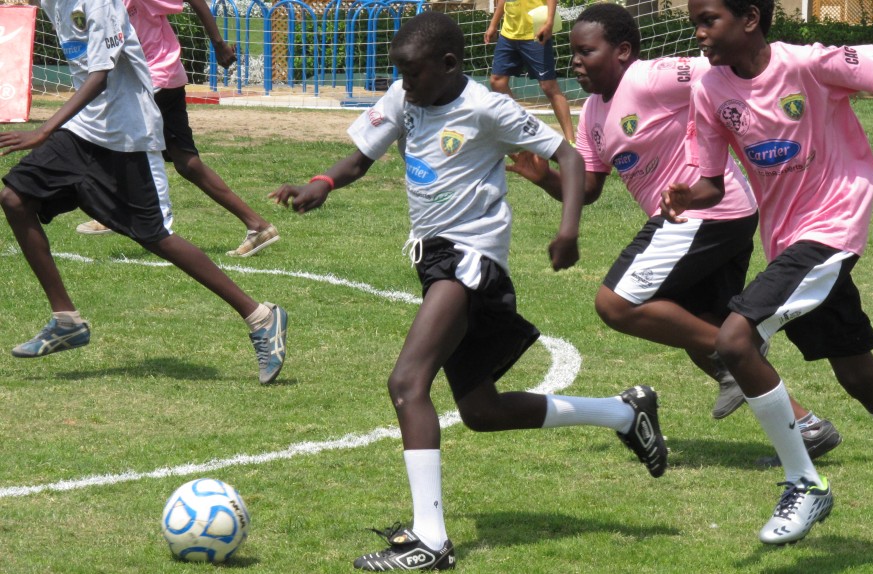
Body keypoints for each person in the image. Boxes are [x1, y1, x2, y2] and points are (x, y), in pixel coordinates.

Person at [270, 12, 668, 571]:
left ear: (450, 65)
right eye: (400, 74)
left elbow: (570, 157)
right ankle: (623, 413)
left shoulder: (485, 108)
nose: (405, 84)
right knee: (482, 410)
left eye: (414, 74)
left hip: (469, 262)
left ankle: (431, 540)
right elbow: (362, 156)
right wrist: (324, 182)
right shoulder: (405, 95)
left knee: (408, 384)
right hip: (435, 260)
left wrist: (569, 229)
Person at [662, 0, 873, 553]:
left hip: (834, 226)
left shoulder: (809, 64)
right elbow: (713, 184)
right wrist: (687, 195)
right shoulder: (710, 89)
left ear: (749, 19)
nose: (699, 32)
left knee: (734, 339)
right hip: (790, 243)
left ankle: (805, 483)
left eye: (709, 20)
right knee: (858, 374)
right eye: (696, 21)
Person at [506, 3, 841, 465]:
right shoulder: (591, 116)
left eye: (586, 51)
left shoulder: (650, 76)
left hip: (707, 211)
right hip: (715, 219)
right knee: (693, 328)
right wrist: (544, 177)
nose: (576, 62)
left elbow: (725, 63)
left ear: (623, 51)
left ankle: (737, 344)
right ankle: (807, 427)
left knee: (616, 304)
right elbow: (587, 188)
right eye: (572, 53)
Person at [0, 0, 287, 385]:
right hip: (85, 130)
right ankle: (66, 320)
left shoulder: (100, 3)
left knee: (156, 236)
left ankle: (260, 316)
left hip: (128, 133)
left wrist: (44, 129)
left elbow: (101, 72)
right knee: (16, 198)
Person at [75, 0, 280, 258]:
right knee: (187, 162)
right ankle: (258, 226)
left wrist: (218, 45)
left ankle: (117, 213)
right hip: (158, 78)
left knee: (113, 137)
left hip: (156, 76)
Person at [484, 0, 575, 142]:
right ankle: (520, 127)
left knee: (549, 86)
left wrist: (549, 22)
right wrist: (493, 25)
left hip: (534, 34)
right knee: (497, 82)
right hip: (508, 35)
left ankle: (572, 142)